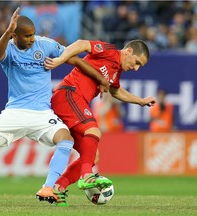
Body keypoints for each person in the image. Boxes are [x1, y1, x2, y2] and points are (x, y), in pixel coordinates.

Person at [0, 7, 109, 207]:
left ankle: (48, 187)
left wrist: (100, 79)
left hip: (42, 114)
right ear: (14, 36)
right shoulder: (7, 48)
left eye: (33, 34)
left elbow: (76, 60)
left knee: (65, 139)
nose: (32, 39)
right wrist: (6, 33)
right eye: (27, 36)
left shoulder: (45, 45)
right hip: (14, 112)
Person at [38, 39, 156, 206]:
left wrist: (141, 101)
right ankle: (87, 176)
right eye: (137, 62)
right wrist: (61, 59)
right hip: (69, 94)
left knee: (93, 156)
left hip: (75, 102)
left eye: (140, 66)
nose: (136, 68)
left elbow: (116, 91)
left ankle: (58, 188)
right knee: (93, 131)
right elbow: (81, 44)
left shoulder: (116, 71)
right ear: (128, 51)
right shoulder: (109, 51)